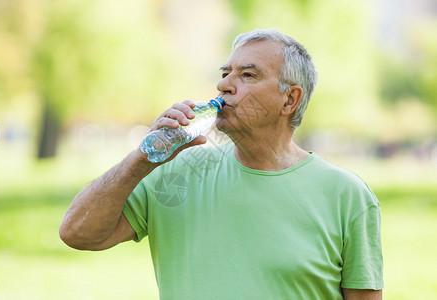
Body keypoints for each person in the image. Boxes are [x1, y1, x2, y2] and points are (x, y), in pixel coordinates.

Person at [60, 28, 383, 299]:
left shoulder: (346, 195)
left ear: (290, 99)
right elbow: (77, 233)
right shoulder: (177, 173)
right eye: (225, 72)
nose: (224, 85)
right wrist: (142, 158)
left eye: (247, 75)